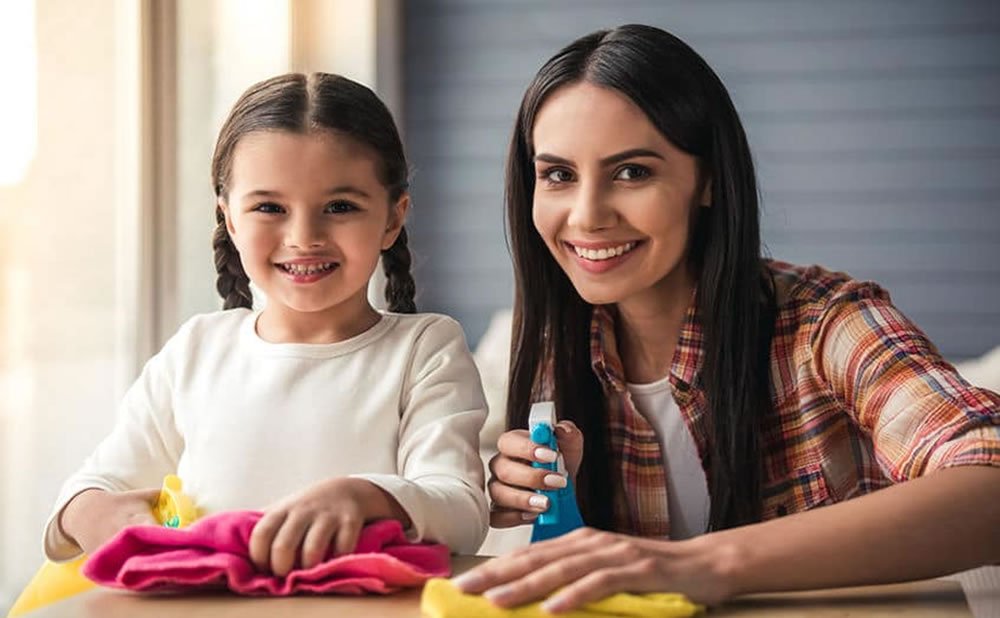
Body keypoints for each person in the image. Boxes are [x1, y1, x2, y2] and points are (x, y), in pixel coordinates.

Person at [454, 24, 1000, 612]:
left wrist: (701, 564)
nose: (586, 217)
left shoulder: (825, 323)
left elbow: (990, 485)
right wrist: (535, 499)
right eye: (558, 175)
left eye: (633, 172)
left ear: (708, 180)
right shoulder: (551, 348)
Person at [44, 73, 489, 576]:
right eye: (269, 208)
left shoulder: (424, 348)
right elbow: (95, 484)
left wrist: (366, 496)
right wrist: (88, 510)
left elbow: (461, 510)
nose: (303, 237)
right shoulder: (196, 349)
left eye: (340, 207)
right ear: (230, 219)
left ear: (392, 219)